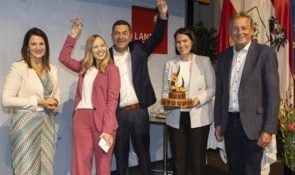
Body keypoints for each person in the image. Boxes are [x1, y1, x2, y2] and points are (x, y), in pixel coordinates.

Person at [214, 12, 280, 175]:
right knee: (234, 170)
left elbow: (273, 95)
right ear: (230, 32)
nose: (240, 32)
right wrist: (218, 122)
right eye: (235, 29)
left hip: (254, 126)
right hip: (229, 124)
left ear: (252, 31)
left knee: (251, 171)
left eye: (244, 28)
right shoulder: (223, 57)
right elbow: (220, 93)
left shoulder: (265, 54)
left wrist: (268, 129)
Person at [109, 0, 168, 174]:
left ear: (130, 35)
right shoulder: (105, 56)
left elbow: (157, 36)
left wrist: (162, 14)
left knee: (143, 154)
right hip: (117, 113)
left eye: (124, 33)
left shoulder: (139, 50)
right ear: (112, 36)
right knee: (120, 155)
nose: (121, 36)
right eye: (117, 33)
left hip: (139, 111)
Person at [59, 18, 120, 175]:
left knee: (103, 165)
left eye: (102, 45)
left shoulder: (111, 69)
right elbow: (63, 58)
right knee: (80, 163)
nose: (100, 49)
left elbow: (112, 101)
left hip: (103, 121)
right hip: (81, 118)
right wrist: (73, 34)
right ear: (90, 50)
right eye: (95, 47)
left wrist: (107, 129)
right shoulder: (84, 68)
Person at [2, 27, 61, 175]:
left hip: (47, 124)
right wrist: (38, 101)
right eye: (34, 44)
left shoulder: (52, 69)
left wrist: (55, 102)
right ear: (27, 46)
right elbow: (6, 100)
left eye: (41, 44)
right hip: (25, 125)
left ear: (46, 46)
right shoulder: (19, 67)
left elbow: (57, 95)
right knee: (26, 169)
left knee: (46, 168)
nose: (38, 47)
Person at [161, 27, 216, 175]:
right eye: (178, 42)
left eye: (185, 41)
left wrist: (197, 100)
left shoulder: (203, 61)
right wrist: (168, 103)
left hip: (198, 116)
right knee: (178, 160)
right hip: (175, 117)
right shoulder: (170, 64)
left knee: (196, 160)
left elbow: (212, 87)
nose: (181, 45)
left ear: (191, 42)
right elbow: (166, 91)